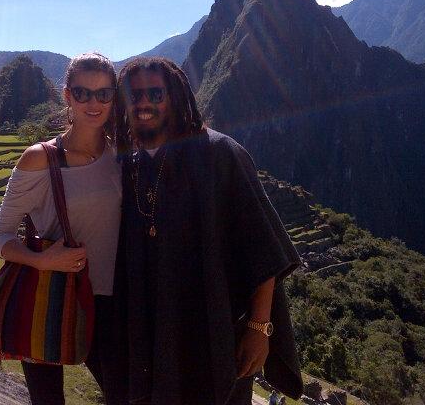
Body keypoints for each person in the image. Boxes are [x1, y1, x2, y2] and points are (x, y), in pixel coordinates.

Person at [112, 57, 303, 404]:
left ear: (175, 97)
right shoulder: (130, 165)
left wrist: (259, 329)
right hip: (151, 333)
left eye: (155, 94)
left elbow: (264, 249)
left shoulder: (220, 155)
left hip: (215, 332)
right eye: (134, 95)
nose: (143, 103)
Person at [0, 52, 123, 404]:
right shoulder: (40, 158)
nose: (93, 103)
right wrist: (43, 261)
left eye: (103, 94)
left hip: (109, 300)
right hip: (49, 293)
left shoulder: (121, 156)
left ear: (114, 96)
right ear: (67, 95)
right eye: (82, 93)